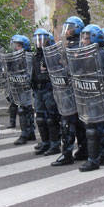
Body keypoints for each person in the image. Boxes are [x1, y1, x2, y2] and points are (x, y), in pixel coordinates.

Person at [74, 24, 104, 171]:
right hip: (91, 94)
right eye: (83, 37)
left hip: (96, 95)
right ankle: (102, 156)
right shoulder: (91, 53)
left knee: (93, 128)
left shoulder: (98, 54)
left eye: (87, 38)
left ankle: (93, 160)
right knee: (98, 128)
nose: (84, 41)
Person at [54, 16, 88, 163]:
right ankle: (82, 150)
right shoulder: (68, 46)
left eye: (70, 28)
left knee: (69, 122)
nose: (67, 31)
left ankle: (68, 153)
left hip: (74, 89)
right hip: (74, 89)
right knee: (78, 122)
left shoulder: (78, 48)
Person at [31, 29, 62, 157]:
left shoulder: (53, 55)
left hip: (49, 88)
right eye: (37, 40)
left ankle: (55, 144)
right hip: (38, 89)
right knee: (40, 118)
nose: (39, 43)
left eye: (42, 40)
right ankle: (45, 142)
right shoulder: (36, 56)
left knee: (51, 118)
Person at [9, 35, 36, 146]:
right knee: (26, 109)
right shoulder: (15, 58)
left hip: (26, 87)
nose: (16, 48)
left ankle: (25, 133)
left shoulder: (28, 57)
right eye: (15, 46)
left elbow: (29, 72)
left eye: (19, 46)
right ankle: (30, 132)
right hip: (18, 87)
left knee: (24, 110)